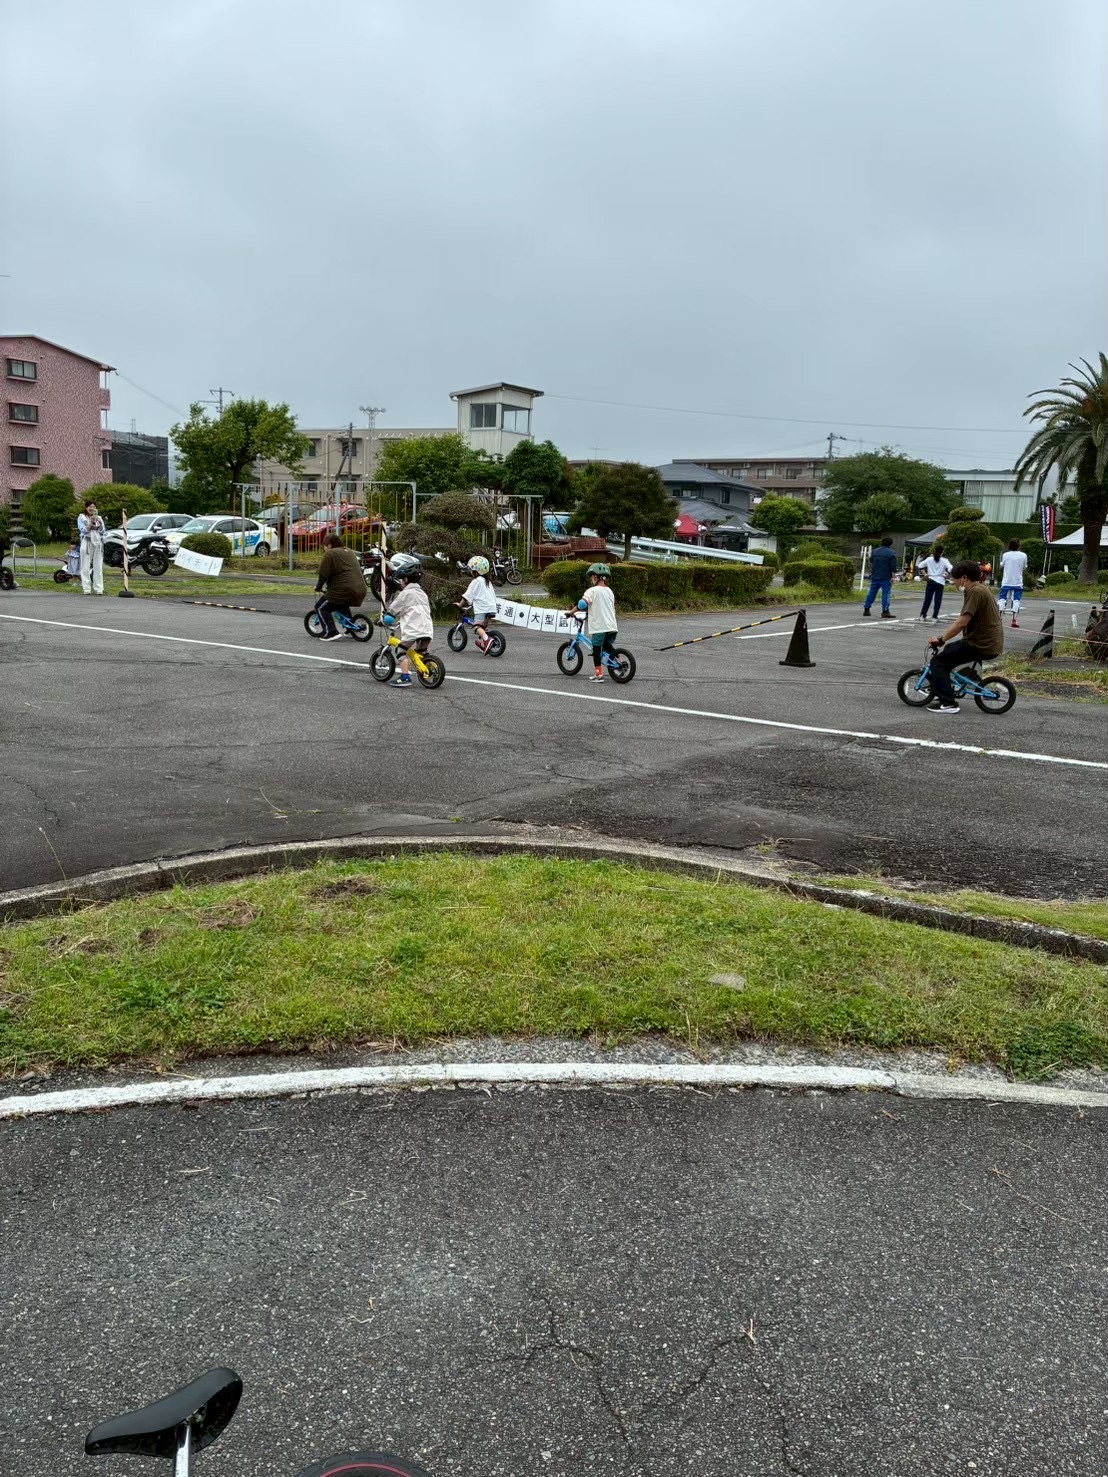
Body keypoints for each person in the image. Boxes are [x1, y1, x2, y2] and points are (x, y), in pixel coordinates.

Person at [925, 560, 1005, 715]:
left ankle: (948, 703)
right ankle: (945, 687)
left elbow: (962, 622)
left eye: (954, 578)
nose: (953, 581)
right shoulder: (979, 588)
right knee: (949, 651)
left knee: (938, 662)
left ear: (964, 578)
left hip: (981, 644)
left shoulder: (975, 592)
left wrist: (941, 639)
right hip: (985, 641)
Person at [383, 553, 434, 688]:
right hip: (427, 629)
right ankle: (428, 667)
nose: (401, 582)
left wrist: (383, 619)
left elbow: (391, 614)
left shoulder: (404, 594)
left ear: (405, 579)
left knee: (400, 652)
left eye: (401, 580)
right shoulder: (423, 593)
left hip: (413, 630)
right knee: (420, 653)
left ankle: (405, 677)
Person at [564, 562, 618, 681]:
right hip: (612, 626)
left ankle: (598, 675)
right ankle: (620, 660)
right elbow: (603, 607)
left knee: (596, 649)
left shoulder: (592, 591)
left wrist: (571, 613)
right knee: (606, 645)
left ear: (595, 577)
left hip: (600, 627)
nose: (591, 580)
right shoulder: (609, 591)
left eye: (591, 577)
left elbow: (582, 604)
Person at [313, 532, 368, 641]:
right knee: (341, 605)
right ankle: (350, 629)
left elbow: (323, 574)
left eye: (324, 546)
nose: (324, 549)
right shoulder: (349, 551)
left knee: (320, 607)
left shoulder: (330, 553)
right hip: (361, 589)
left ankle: (331, 632)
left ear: (329, 545)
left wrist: (318, 587)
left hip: (343, 589)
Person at [456, 554, 498, 650]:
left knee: (477, 627)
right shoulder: (488, 581)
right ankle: (484, 644)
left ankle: (487, 640)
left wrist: (460, 605)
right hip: (492, 608)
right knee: (482, 628)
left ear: (475, 572)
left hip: (482, 609)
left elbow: (468, 595)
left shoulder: (476, 581)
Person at [862, 536, 898, 618]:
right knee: (886, 594)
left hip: (875, 575)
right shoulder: (891, 553)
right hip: (886, 576)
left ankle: (866, 609)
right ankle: (885, 611)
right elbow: (893, 566)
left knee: (872, 592)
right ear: (891, 544)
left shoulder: (875, 551)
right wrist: (893, 577)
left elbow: (871, 561)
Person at [996, 538, 1028, 628]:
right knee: (1016, 600)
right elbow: (1024, 566)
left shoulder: (1005, 555)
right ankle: (1014, 619)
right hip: (1017, 582)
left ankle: (999, 618)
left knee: (1002, 599)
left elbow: (1002, 564)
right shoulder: (1023, 555)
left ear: (1009, 545)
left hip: (1006, 581)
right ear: (1019, 546)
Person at [916, 543, 952, 621]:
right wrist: (947, 575)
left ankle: (923, 615)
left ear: (934, 551)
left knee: (927, 599)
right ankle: (934, 616)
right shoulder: (944, 561)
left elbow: (920, 566)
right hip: (940, 581)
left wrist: (925, 574)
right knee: (937, 600)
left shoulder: (929, 559)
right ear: (942, 552)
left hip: (930, 580)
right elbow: (950, 568)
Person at [77, 499, 105, 595]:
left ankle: (99, 588)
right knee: (85, 566)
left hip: (98, 543)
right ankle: (86, 588)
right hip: (87, 542)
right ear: (86, 508)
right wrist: (90, 522)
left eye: (94, 507)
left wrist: (100, 525)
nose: (92, 508)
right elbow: (83, 531)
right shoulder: (82, 517)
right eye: (90, 507)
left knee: (98, 566)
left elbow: (102, 531)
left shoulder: (99, 518)